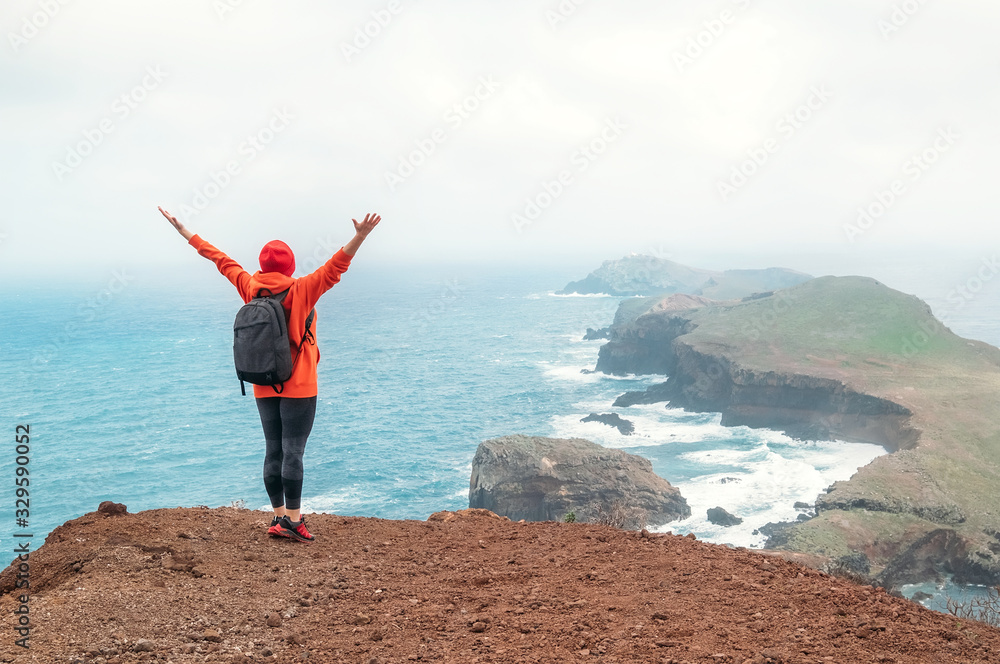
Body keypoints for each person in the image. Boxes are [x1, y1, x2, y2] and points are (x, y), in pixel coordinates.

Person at [158, 206, 381, 542]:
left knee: (272, 450)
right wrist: (360, 236)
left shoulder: (250, 286)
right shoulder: (301, 289)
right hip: (299, 386)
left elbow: (220, 260)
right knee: (294, 452)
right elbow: (336, 267)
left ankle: (278, 516)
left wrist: (184, 231)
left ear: (263, 265)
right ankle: (294, 520)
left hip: (263, 382)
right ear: (290, 265)